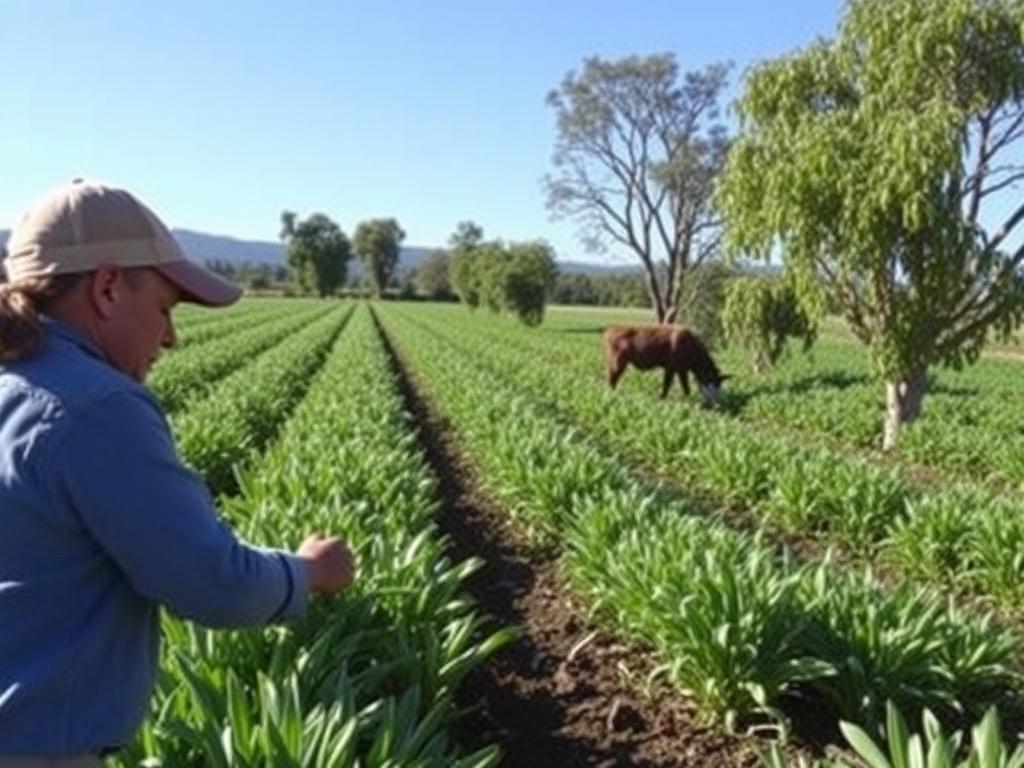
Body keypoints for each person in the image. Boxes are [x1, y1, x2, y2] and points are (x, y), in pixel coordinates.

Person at [0, 179, 356, 766]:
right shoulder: (96, 407)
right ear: (108, 287)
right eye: (164, 309)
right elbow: (214, 584)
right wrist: (311, 571)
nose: (171, 336)